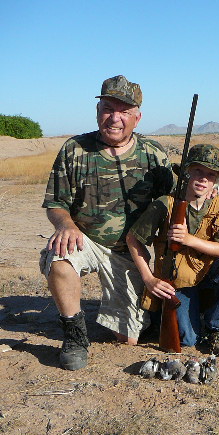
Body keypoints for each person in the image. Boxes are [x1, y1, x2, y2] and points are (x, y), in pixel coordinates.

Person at [41, 75, 174, 370]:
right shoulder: (74, 149)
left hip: (130, 253)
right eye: (108, 108)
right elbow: (55, 203)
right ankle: (74, 336)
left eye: (124, 111)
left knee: (128, 339)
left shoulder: (154, 154)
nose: (115, 118)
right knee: (61, 258)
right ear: (98, 111)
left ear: (136, 118)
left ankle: (131, 313)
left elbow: (171, 204)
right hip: (84, 240)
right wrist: (66, 224)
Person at [126, 144, 219, 356]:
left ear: (216, 180)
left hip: (206, 279)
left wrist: (189, 239)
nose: (203, 178)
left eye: (210, 174)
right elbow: (133, 238)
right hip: (177, 284)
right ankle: (185, 316)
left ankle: (217, 326)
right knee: (187, 340)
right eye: (197, 170)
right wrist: (149, 279)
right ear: (187, 172)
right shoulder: (165, 204)